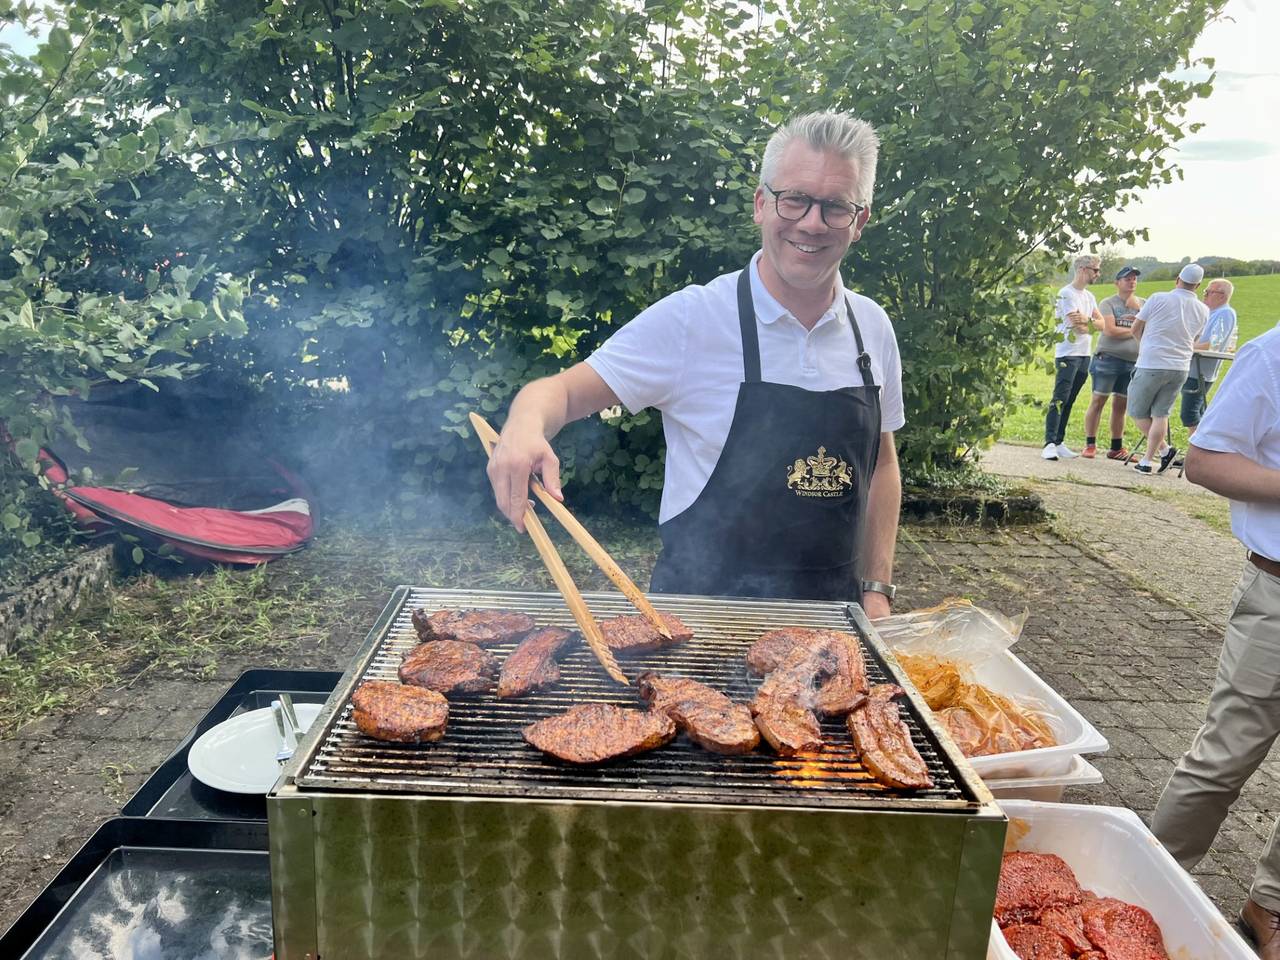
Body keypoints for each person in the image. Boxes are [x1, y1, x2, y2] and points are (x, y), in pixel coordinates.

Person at [485, 111, 903, 618]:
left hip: (833, 628)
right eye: (794, 199)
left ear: (859, 222)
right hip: (700, 623)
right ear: (761, 204)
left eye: (835, 206)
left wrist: (876, 589)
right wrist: (524, 427)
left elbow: (882, 464)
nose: (812, 223)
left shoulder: (871, 327)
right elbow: (562, 392)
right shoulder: (693, 319)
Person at [1151, 323, 1280, 958]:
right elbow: (1204, 460)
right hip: (1279, 594)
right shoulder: (1273, 353)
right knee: (1222, 760)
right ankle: (1145, 892)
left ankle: (1270, 904)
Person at [1127, 263, 1209, 473]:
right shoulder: (1203, 309)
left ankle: (1162, 451)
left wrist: (1145, 345)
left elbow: (1135, 328)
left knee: (1136, 411)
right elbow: (1195, 338)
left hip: (1152, 362)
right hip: (1180, 366)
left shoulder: (1157, 298)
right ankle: (1150, 459)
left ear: (1177, 279)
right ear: (1198, 285)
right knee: (1161, 414)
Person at [1042, 254, 1104, 461]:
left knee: (1070, 399)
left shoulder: (1089, 297)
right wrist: (1090, 323)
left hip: (1084, 354)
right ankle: (1049, 443)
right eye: (1095, 270)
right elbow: (1078, 328)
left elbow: (1103, 324)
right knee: (1060, 398)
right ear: (1082, 269)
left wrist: (1087, 319)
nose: (1098, 274)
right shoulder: (1067, 294)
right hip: (1068, 353)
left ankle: (1059, 441)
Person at [1081, 266, 1143, 459]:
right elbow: (1110, 330)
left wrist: (1134, 326)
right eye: (1127, 279)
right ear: (1117, 283)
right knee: (1098, 400)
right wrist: (1136, 329)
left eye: (1134, 279)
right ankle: (1090, 444)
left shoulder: (1143, 304)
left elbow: (1150, 328)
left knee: (1121, 405)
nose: (1131, 282)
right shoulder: (1108, 303)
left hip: (1132, 362)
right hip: (1107, 359)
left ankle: (1116, 448)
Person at [1180, 278, 1238, 437]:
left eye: (1209, 292)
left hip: (1200, 371)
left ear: (1222, 295)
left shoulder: (1225, 313)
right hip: (1195, 368)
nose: (1204, 295)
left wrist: (1186, 346)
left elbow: (1214, 344)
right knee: (1197, 412)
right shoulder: (1211, 312)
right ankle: (1204, 446)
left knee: (1189, 413)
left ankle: (1198, 448)